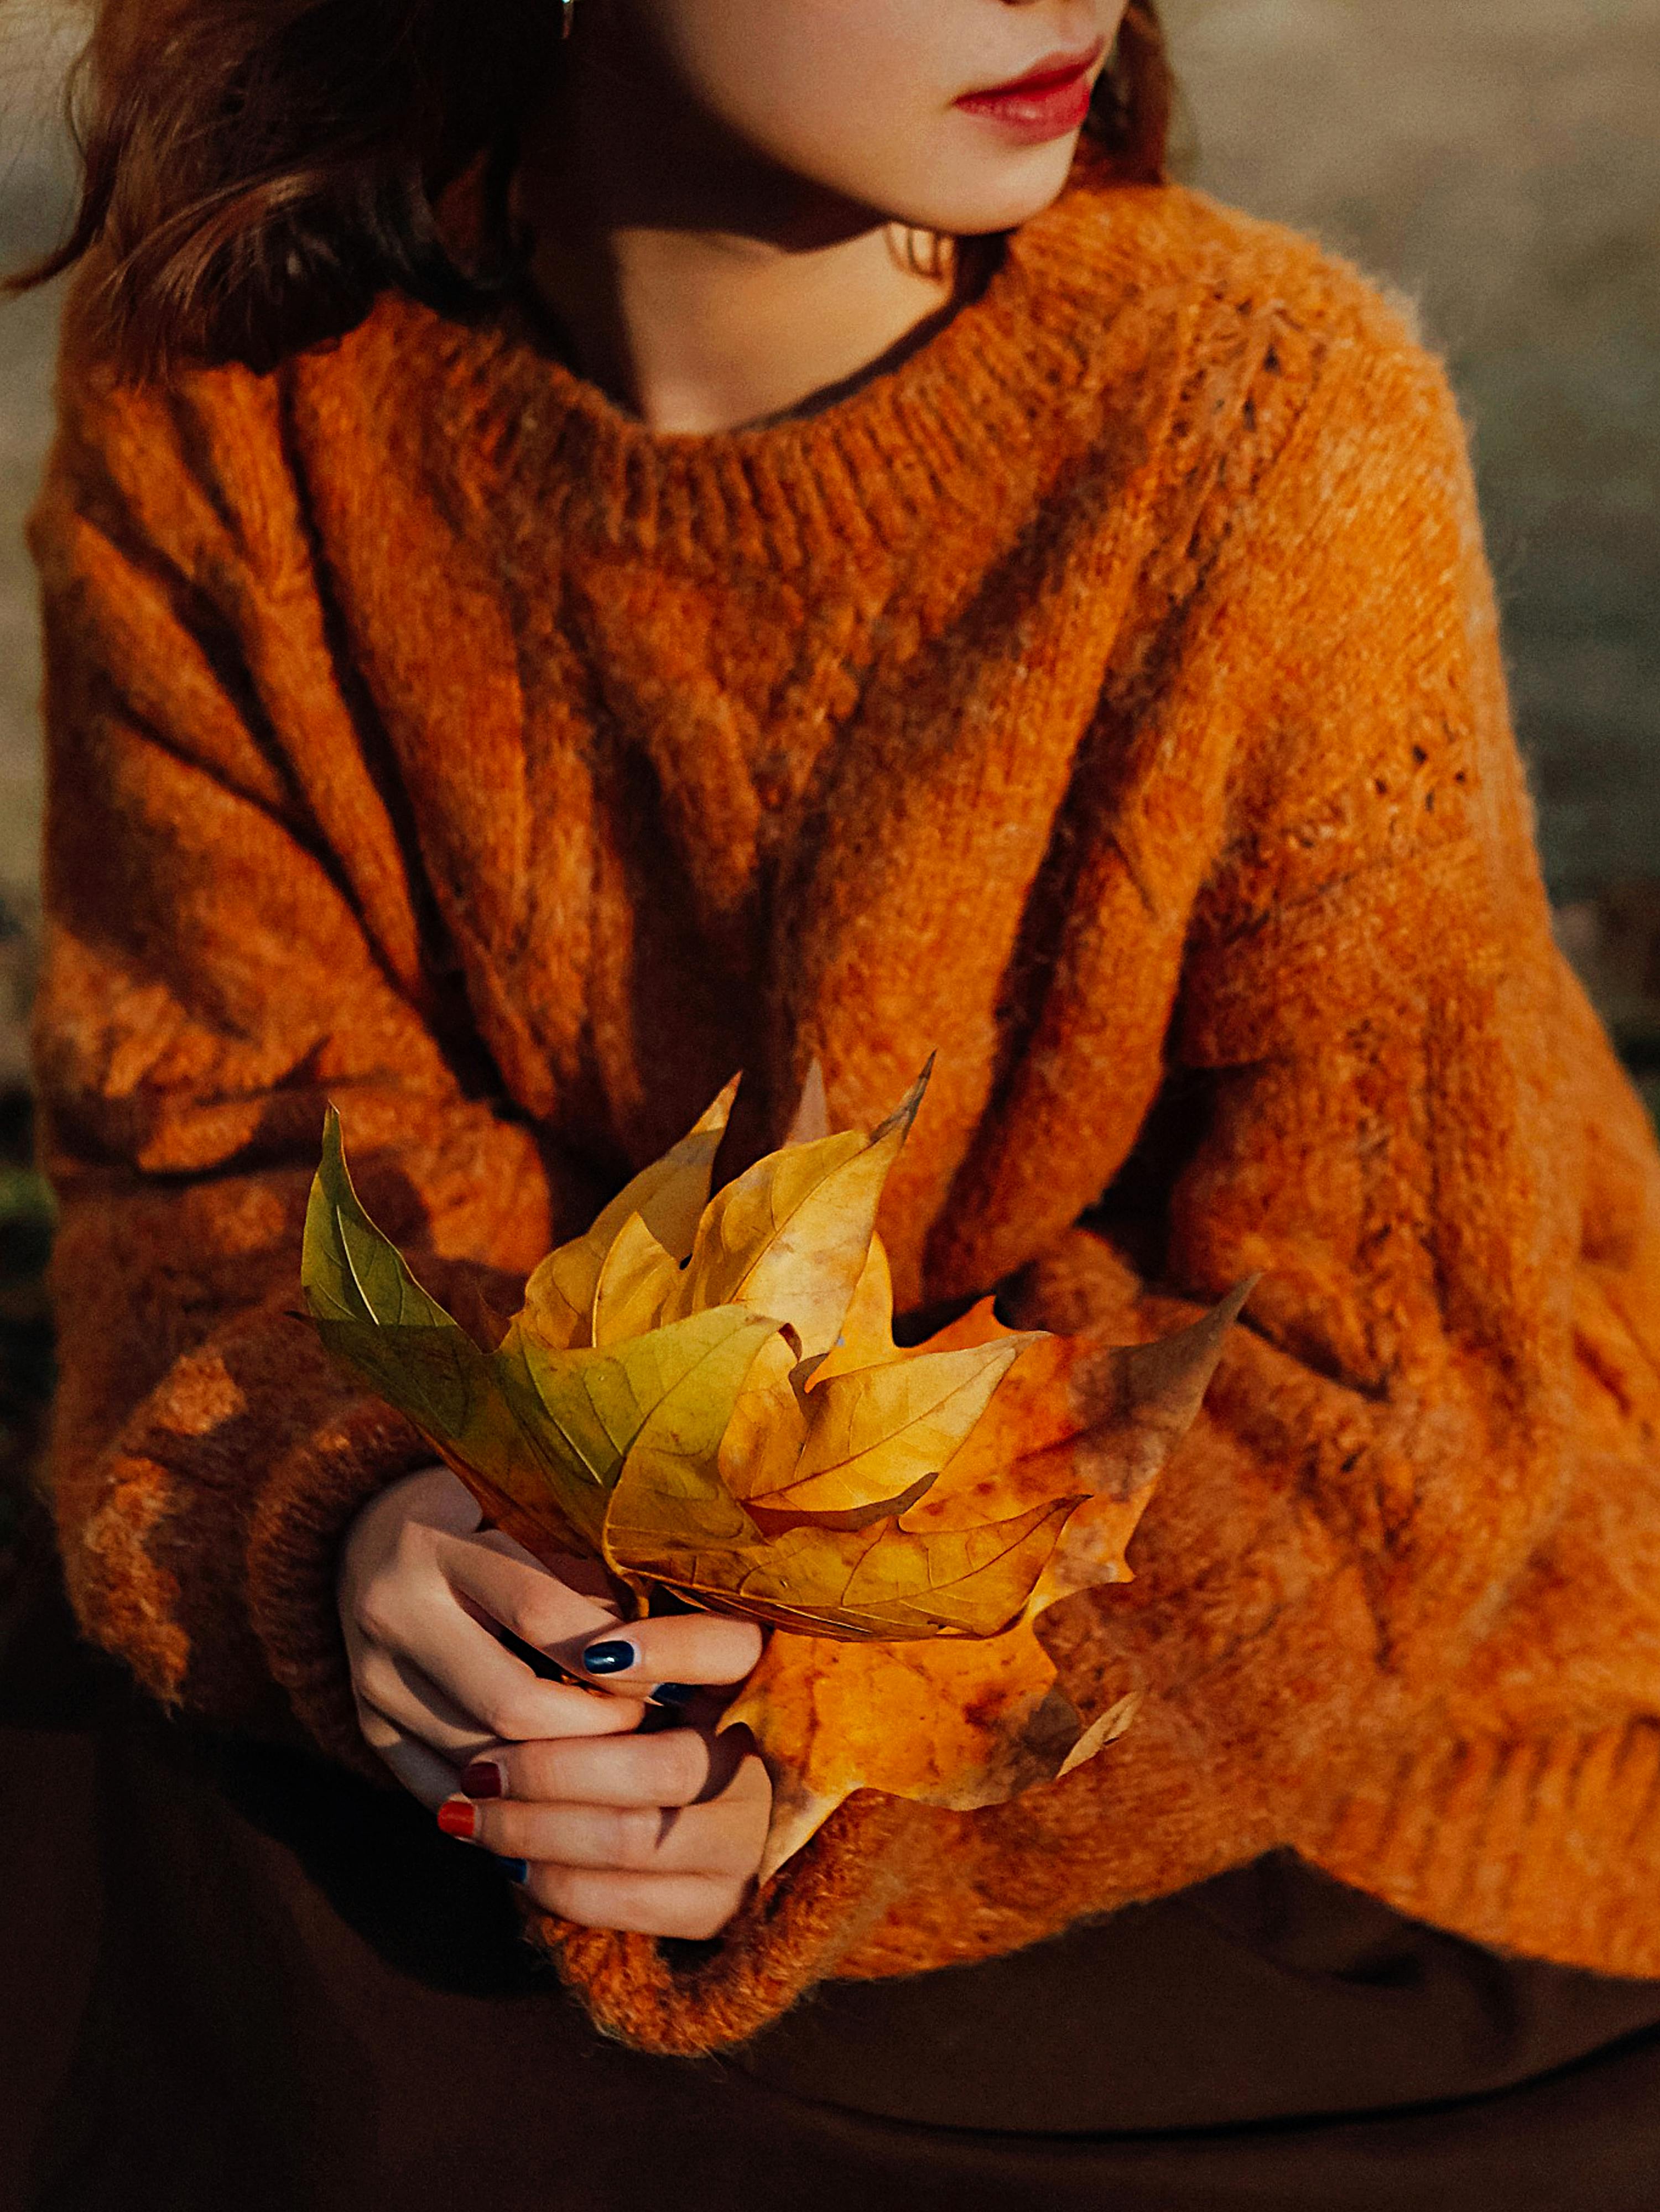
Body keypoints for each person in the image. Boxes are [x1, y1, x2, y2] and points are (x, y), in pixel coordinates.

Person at [10, 1, 1660, 2204]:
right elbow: (214, 1159)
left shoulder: (1264, 425)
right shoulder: (227, 411)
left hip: (1326, 1754)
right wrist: (369, 1533)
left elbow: (1394, 1390)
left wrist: (824, 1760)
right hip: (599, 1701)